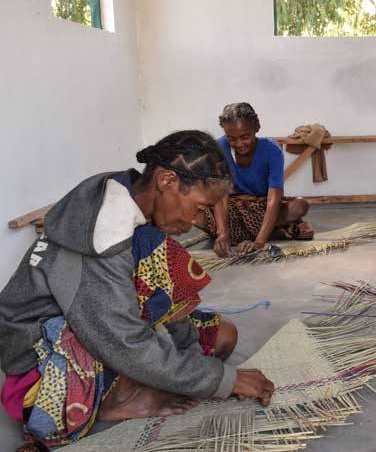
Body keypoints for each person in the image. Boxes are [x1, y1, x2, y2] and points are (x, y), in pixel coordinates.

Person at [0, 131, 274, 449]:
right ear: (167, 181)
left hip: (99, 322)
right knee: (144, 355)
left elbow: (163, 297)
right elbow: (124, 342)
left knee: (222, 335)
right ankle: (118, 399)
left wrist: (196, 362)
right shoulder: (102, 238)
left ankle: (132, 384)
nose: (197, 221)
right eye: (198, 208)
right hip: (35, 368)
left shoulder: (135, 206)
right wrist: (222, 379)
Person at [200, 103, 313, 258]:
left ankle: (247, 234)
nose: (239, 144)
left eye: (245, 137)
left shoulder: (272, 150)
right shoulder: (219, 148)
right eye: (232, 139)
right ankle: (271, 230)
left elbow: (273, 199)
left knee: (300, 206)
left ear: (256, 128)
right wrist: (223, 234)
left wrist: (259, 242)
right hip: (235, 207)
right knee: (196, 210)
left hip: (262, 206)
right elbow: (221, 196)